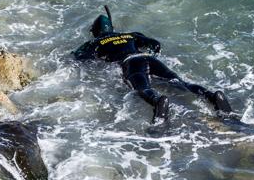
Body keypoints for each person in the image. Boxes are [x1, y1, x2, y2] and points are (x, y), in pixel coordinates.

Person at [73, 7, 233, 123]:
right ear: (112, 28)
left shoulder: (95, 42)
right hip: (149, 58)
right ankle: (212, 96)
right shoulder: (131, 35)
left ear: (95, 31)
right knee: (180, 83)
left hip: (131, 63)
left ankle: (158, 103)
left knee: (142, 88)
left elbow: (80, 57)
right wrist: (152, 54)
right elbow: (155, 44)